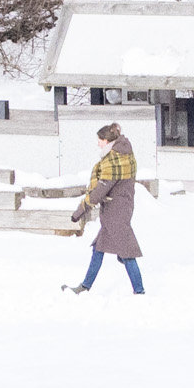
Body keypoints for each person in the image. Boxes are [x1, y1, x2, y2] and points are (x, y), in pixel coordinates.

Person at [67, 121, 143, 294]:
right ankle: (85, 286)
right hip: (119, 209)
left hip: (117, 212)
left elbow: (99, 191)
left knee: (127, 253)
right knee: (98, 249)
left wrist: (79, 211)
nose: (98, 144)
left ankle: (139, 291)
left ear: (107, 141)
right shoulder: (125, 156)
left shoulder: (113, 161)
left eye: (100, 140)